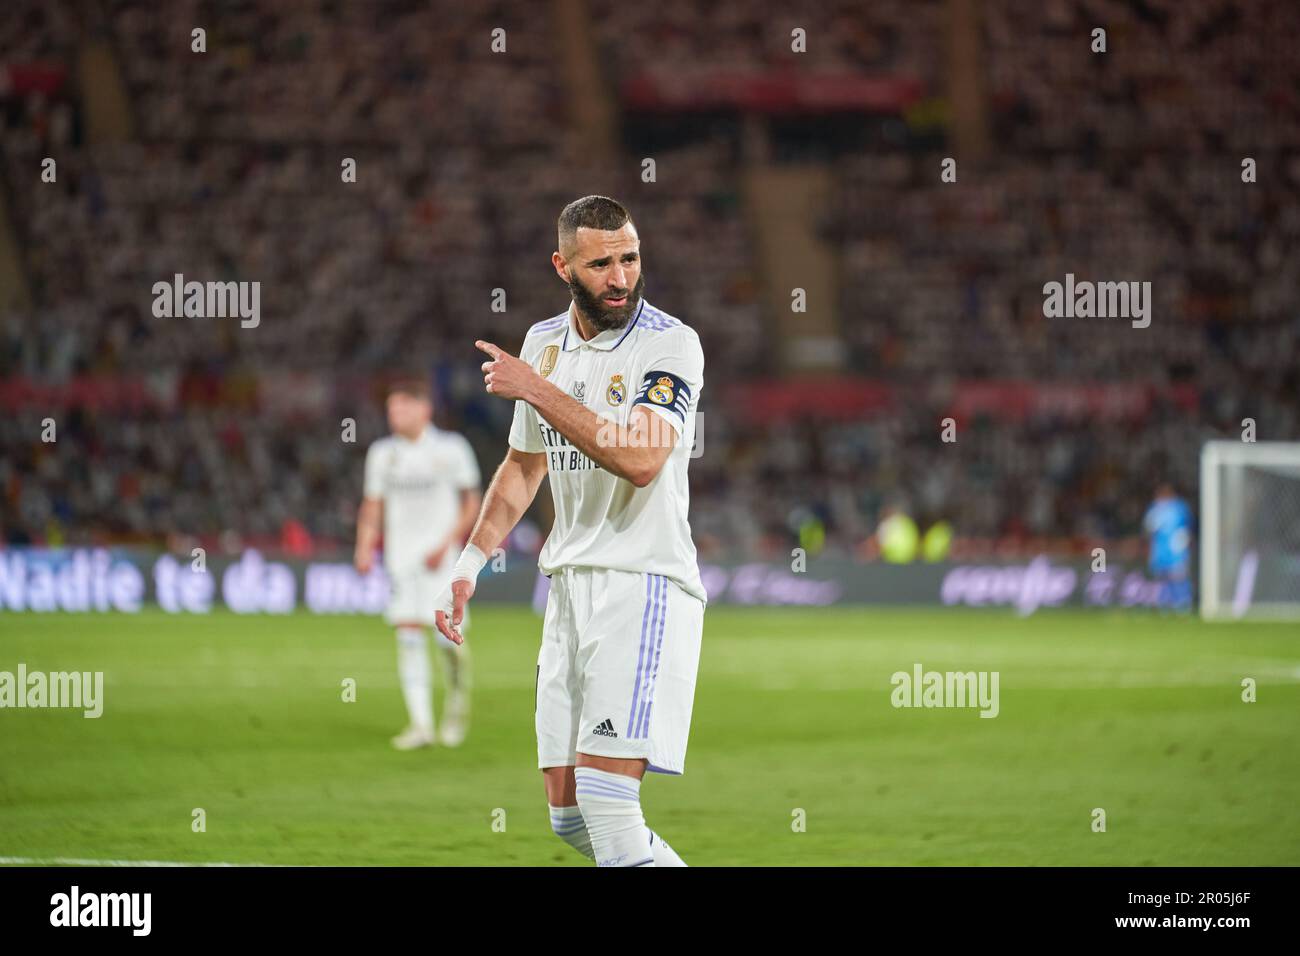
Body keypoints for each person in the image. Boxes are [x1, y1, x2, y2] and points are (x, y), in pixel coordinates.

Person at [436, 196, 706, 866]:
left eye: (629, 258)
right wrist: (470, 562)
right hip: (569, 589)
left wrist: (537, 390)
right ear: (563, 266)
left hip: (641, 584)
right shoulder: (542, 345)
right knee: (570, 819)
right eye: (601, 264)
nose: (620, 277)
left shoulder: (669, 344)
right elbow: (524, 468)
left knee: (611, 808)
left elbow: (643, 459)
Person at [354, 380, 482, 749]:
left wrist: (447, 545)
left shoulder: (452, 448)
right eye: (391, 408)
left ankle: (457, 704)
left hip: (443, 563)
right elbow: (373, 505)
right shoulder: (382, 454)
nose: (395, 414)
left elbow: (471, 502)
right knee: (409, 639)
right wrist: (364, 547)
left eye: (403, 407)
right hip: (401, 561)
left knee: (448, 643)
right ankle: (422, 725)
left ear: (424, 409)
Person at [1143, 483, 1194, 612]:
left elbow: (1188, 528)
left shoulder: (1180, 508)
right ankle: (1164, 606)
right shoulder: (1155, 509)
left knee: (1179, 578)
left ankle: (1183, 605)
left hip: (1176, 552)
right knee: (1162, 579)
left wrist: (1184, 542)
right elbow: (1149, 530)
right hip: (1160, 552)